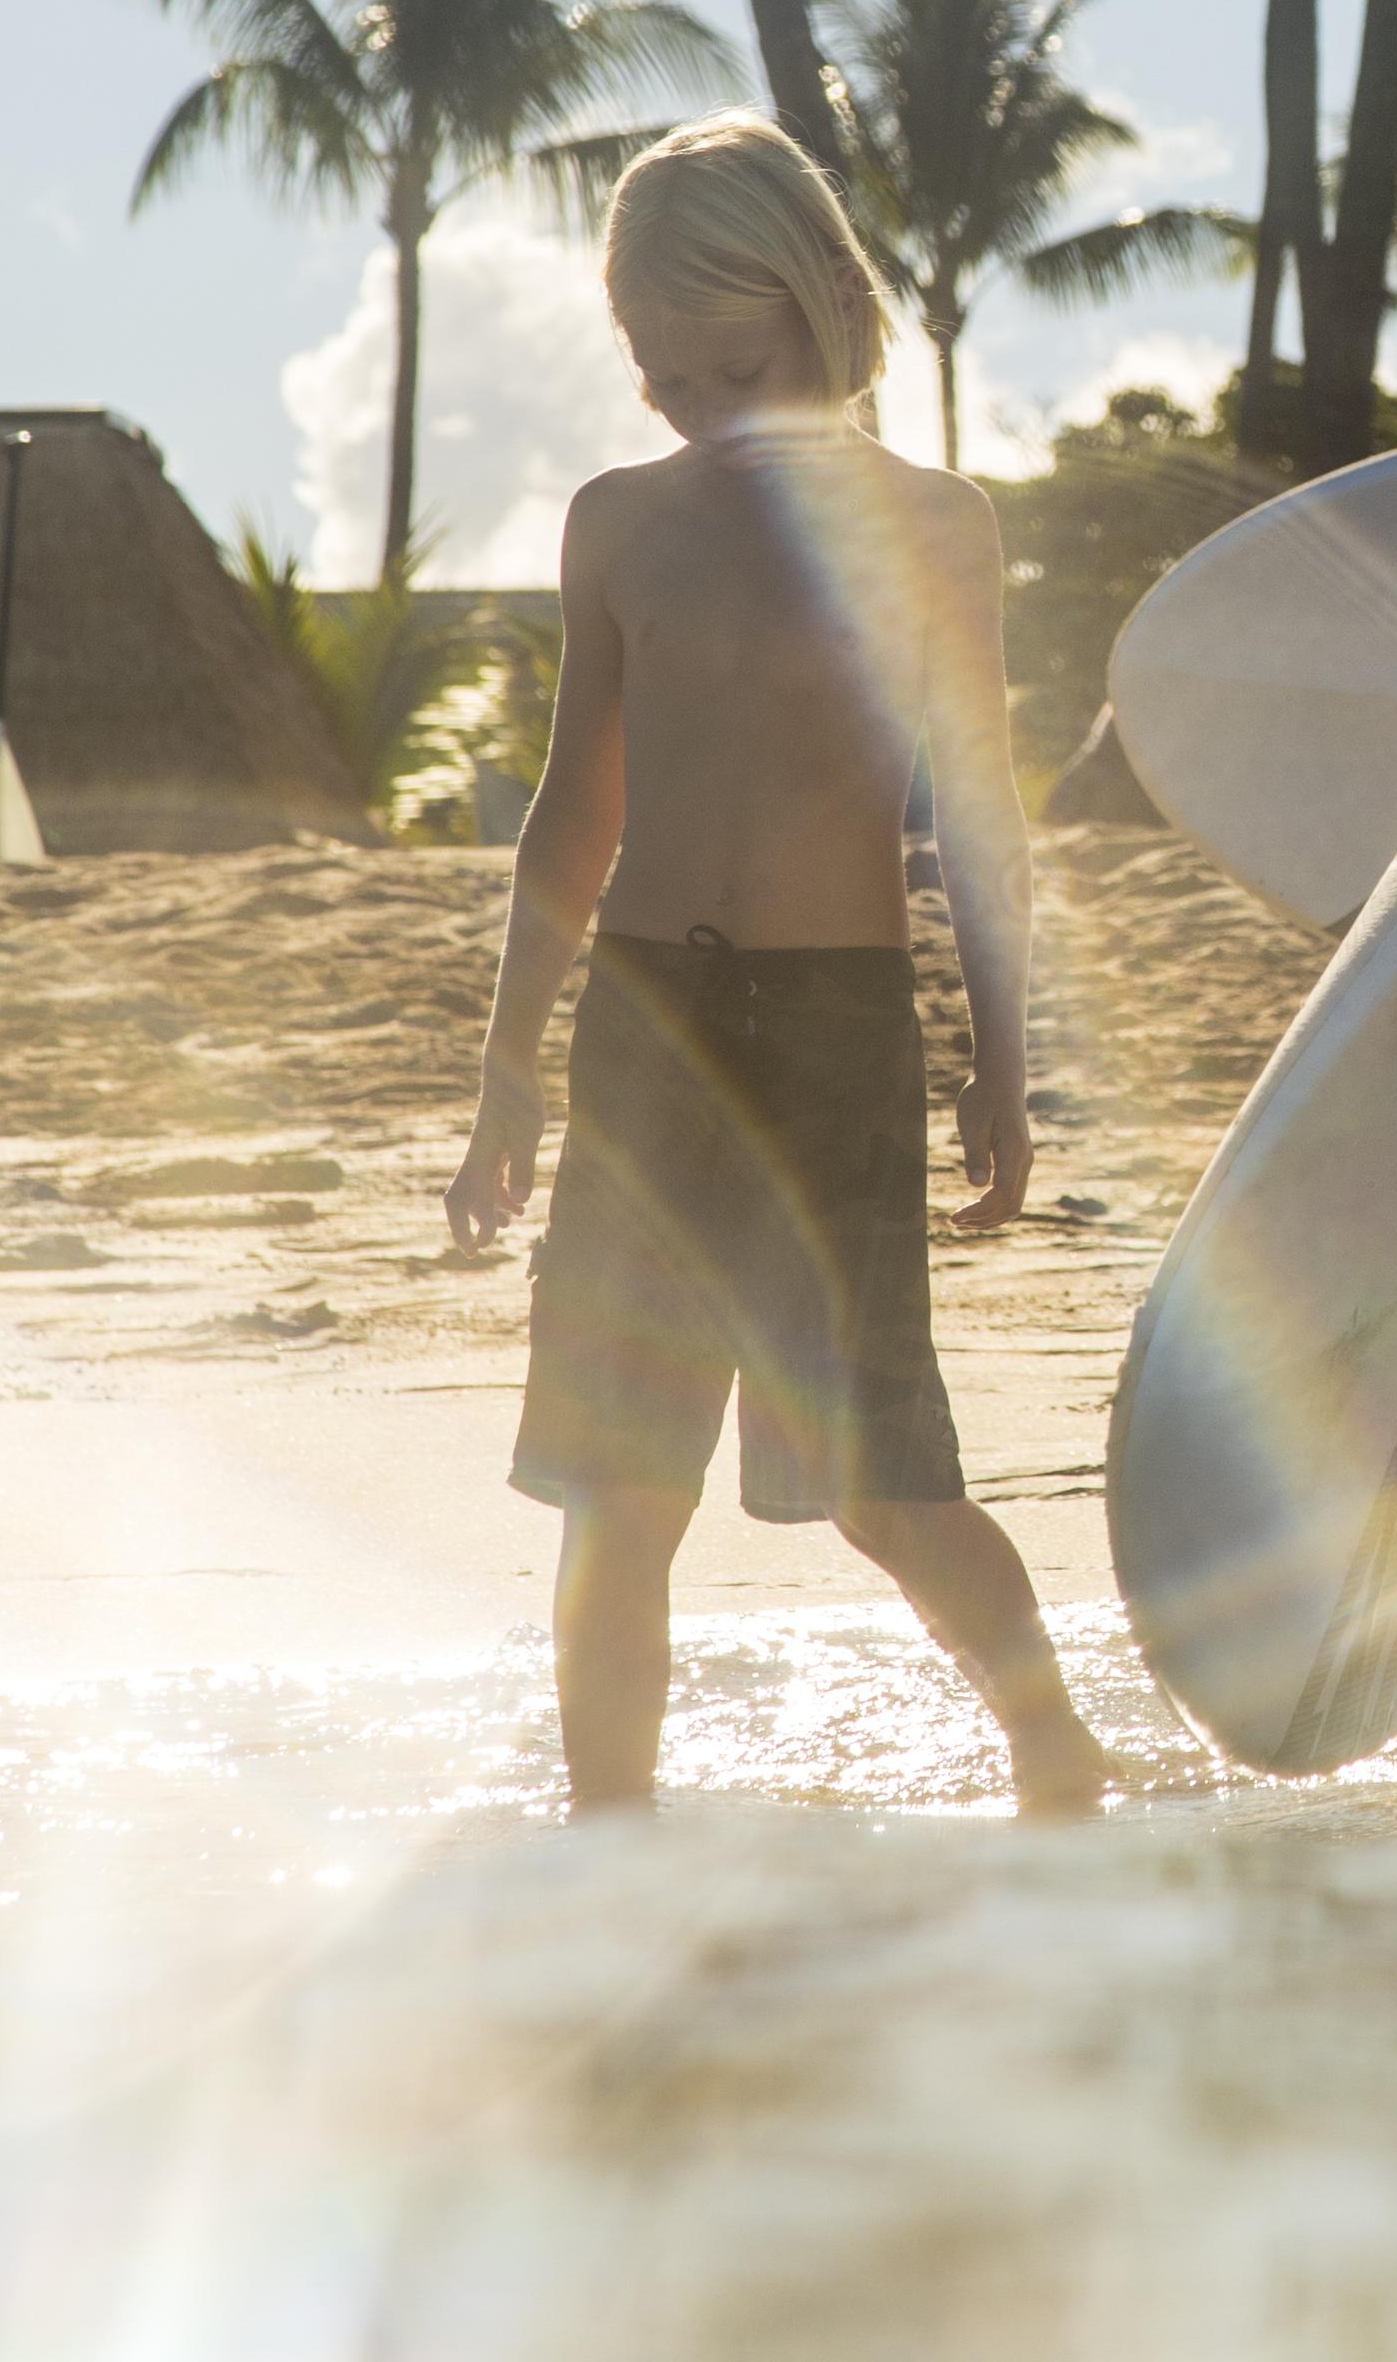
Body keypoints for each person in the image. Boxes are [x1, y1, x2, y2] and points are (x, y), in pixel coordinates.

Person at [445, 115, 1117, 1812]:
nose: (701, 407)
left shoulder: (932, 526)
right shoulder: (619, 526)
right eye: (667, 380)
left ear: (824, 304)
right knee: (622, 1484)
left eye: (734, 364)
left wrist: (1001, 1061)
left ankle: (1056, 1750)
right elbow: (566, 827)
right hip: (648, 1030)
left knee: (880, 1476)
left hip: (835, 1039)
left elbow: (978, 818)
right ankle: (607, 1826)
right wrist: (506, 1075)